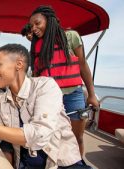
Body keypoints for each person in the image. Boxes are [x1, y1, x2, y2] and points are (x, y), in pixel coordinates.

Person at [0, 44, 83, 169]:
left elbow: (38, 136)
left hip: (63, 164)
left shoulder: (46, 86)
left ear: (18, 65)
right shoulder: (3, 101)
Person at [29, 6, 100, 156]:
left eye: (37, 23)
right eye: (31, 26)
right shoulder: (37, 46)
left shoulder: (71, 36)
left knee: (76, 139)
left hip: (73, 95)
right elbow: (36, 75)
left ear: (49, 20)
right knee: (50, 138)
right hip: (48, 99)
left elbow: (83, 66)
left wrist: (92, 95)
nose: (33, 28)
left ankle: (78, 164)